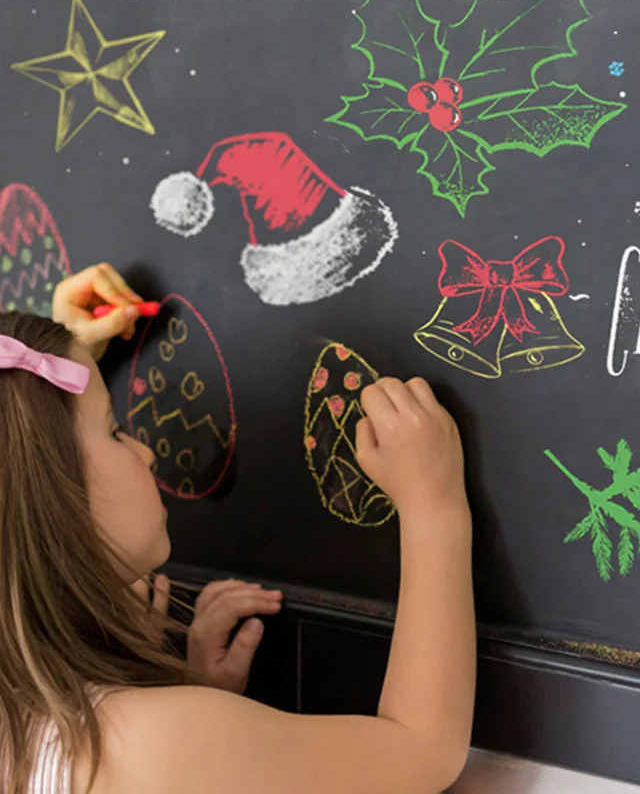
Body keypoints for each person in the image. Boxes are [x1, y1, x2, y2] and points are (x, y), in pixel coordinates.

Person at [0, 264, 476, 794]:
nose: (144, 447)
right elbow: (421, 752)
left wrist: (188, 695)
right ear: (50, 500)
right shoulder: (144, 746)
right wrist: (435, 508)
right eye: (114, 431)